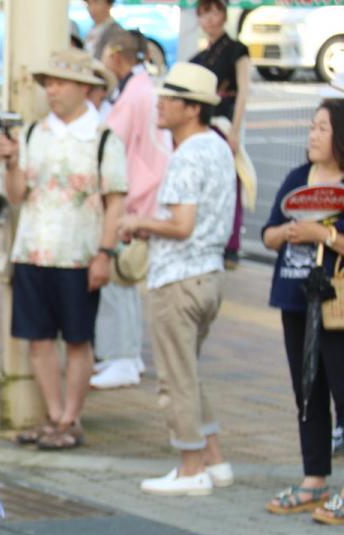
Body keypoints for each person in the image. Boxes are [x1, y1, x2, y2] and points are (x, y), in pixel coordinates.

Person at [0, 48, 127, 450]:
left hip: (79, 254)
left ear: (85, 87)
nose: (51, 90)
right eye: (48, 83)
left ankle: (71, 417)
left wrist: (105, 253)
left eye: (59, 82)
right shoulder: (34, 133)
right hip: (33, 249)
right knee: (37, 339)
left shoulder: (104, 137)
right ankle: (54, 415)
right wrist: (12, 163)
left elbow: (115, 201)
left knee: (76, 338)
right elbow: (17, 195)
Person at [116, 63, 235, 497]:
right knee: (190, 371)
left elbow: (182, 223)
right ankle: (214, 459)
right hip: (209, 276)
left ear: (192, 108)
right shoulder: (218, 147)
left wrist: (139, 221)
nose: (159, 105)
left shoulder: (187, 154)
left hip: (179, 278)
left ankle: (190, 469)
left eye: (169, 99)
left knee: (176, 379)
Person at [261, 100, 344, 519]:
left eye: (323, 128)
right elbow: (268, 233)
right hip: (295, 300)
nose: (312, 135)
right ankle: (314, 478)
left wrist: (323, 234)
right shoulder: (298, 179)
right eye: (312, 127)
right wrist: (286, 233)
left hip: (337, 304)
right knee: (307, 390)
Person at [90, 29, 171, 391]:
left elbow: (110, 142)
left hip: (133, 195)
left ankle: (121, 357)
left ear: (117, 55)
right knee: (127, 279)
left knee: (117, 281)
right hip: (146, 193)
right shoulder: (141, 89)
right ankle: (128, 356)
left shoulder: (132, 94)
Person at [191, 0, 250, 269]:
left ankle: (231, 245)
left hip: (225, 125)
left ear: (224, 14)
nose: (211, 18)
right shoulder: (199, 58)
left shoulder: (237, 50)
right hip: (201, 125)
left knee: (230, 183)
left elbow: (244, 92)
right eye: (204, 13)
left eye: (215, 11)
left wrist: (235, 130)